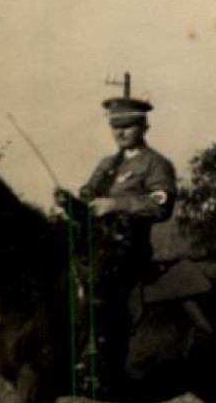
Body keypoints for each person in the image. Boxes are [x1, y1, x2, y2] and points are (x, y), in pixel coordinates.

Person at [56, 90, 177, 382]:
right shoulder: (106, 165)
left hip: (127, 248)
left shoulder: (155, 164)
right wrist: (70, 203)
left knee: (98, 278)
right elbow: (89, 202)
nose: (120, 132)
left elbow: (161, 206)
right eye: (115, 127)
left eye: (128, 126)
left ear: (144, 127)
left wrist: (116, 204)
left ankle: (97, 356)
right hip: (94, 243)